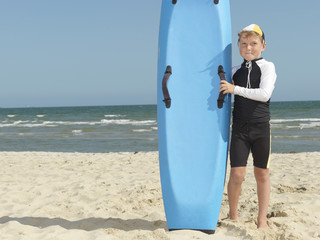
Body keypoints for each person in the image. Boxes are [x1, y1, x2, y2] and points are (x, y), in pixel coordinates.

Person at [219, 24, 277, 229]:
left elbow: (264, 95)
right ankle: (232, 215)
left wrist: (235, 89)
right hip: (240, 130)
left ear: (263, 45)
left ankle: (262, 219)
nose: (248, 48)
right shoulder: (234, 71)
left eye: (253, 43)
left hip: (261, 128)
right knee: (237, 174)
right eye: (243, 44)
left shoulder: (268, 67)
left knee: (262, 173)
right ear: (238, 46)